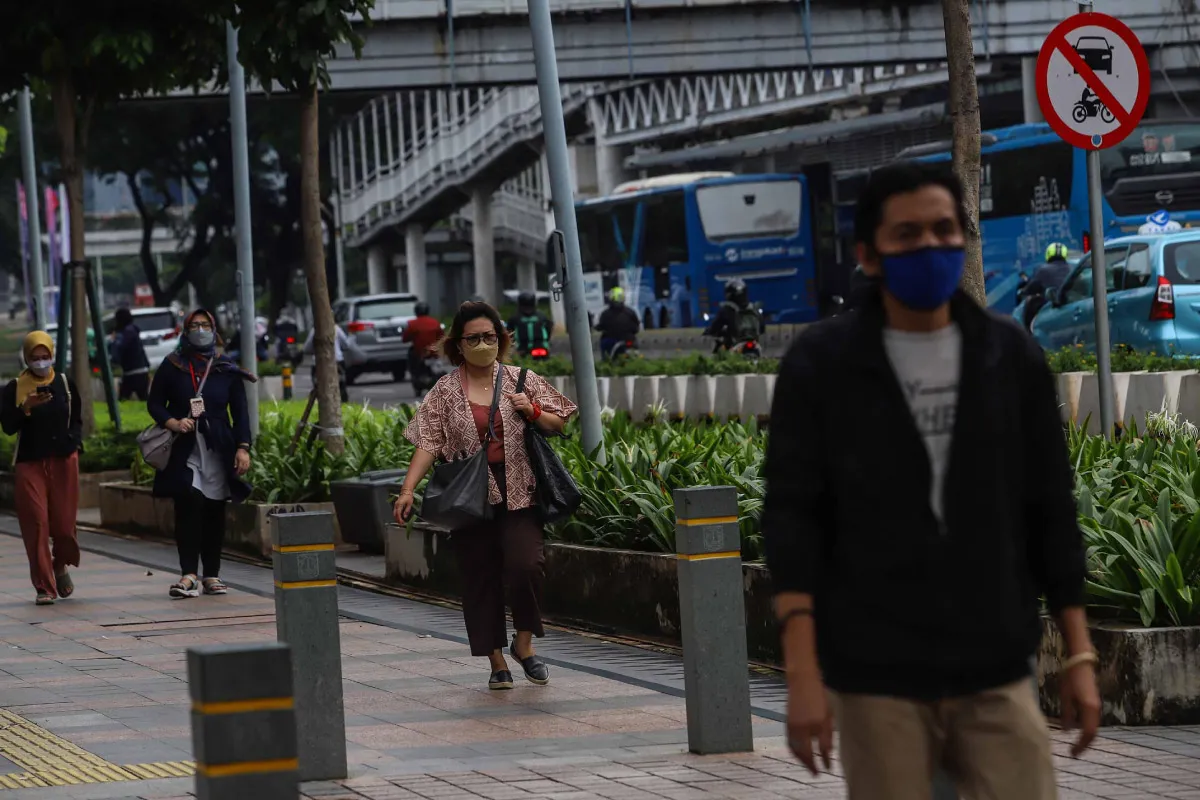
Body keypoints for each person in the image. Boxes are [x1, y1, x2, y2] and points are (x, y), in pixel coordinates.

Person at [762, 161, 1100, 799]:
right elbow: (793, 522)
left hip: (997, 664)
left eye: (945, 230)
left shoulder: (1009, 355)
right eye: (908, 234)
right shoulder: (823, 365)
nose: (930, 246)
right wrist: (803, 674)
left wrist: (1078, 657)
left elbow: (1050, 511)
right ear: (868, 254)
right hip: (875, 671)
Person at [393, 301, 577, 690]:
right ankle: (496, 660)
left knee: (527, 565)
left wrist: (532, 410)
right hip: (468, 496)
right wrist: (407, 489)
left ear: (501, 339)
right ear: (458, 344)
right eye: (473, 338)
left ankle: (523, 645)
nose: (482, 344)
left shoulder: (520, 379)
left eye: (489, 337)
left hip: (520, 491)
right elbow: (428, 442)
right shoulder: (444, 390)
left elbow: (559, 421)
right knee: (479, 576)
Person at [147, 309, 255, 599]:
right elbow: (155, 403)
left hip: (218, 446)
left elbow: (241, 412)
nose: (199, 329)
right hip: (185, 447)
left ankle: (212, 574)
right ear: (185, 330)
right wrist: (173, 422)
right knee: (188, 503)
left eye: (205, 325)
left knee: (214, 511)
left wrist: (243, 447)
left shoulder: (226, 367)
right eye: (193, 325)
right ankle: (188, 574)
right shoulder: (172, 365)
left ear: (214, 329)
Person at [0, 332, 82, 605]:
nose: (41, 362)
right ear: (26, 358)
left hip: (63, 460)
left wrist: (74, 443)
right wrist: (25, 408)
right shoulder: (14, 387)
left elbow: (76, 417)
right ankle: (44, 586)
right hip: (30, 463)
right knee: (36, 522)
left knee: (64, 525)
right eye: (34, 358)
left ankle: (60, 565)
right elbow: (8, 427)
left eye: (45, 356)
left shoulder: (63, 383)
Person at [1020, 243, 1073, 331]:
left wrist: (1023, 291)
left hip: (1049, 309)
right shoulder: (1072, 269)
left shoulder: (1042, 270)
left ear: (1048, 254)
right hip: (1070, 307)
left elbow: (1032, 287)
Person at [704, 279, 762, 351]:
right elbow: (762, 329)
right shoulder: (753, 308)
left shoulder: (727, 309)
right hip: (755, 345)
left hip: (736, 345)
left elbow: (715, 327)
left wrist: (709, 331)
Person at [403, 302, 445, 394]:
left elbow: (405, 338)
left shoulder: (412, 324)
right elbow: (442, 336)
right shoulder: (435, 322)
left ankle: (418, 379)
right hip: (433, 352)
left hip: (420, 352)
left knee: (412, 358)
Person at [110, 308, 152, 401]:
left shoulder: (125, 333)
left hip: (132, 372)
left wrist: (113, 341)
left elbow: (118, 350)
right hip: (141, 370)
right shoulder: (132, 331)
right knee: (144, 398)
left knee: (124, 399)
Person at [303, 325, 351, 403]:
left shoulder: (315, 330)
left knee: (318, 387)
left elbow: (306, 348)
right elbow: (346, 344)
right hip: (337, 360)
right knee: (340, 386)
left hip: (318, 362)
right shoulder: (336, 329)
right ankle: (343, 403)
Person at [595, 287, 640, 358]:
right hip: (629, 339)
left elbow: (601, 326)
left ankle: (606, 362)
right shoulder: (630, 312)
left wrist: (596, 327)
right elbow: (636, 328)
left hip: (612, 340)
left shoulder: (605, 314)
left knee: (604, 345)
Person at [507, 291, 553, 357]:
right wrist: (547, 341)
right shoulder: (541, 316)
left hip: (522, 348)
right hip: (541, 347)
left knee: (519, 364)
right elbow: (549, 328)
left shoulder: (515, 317)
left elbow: (509, 333)